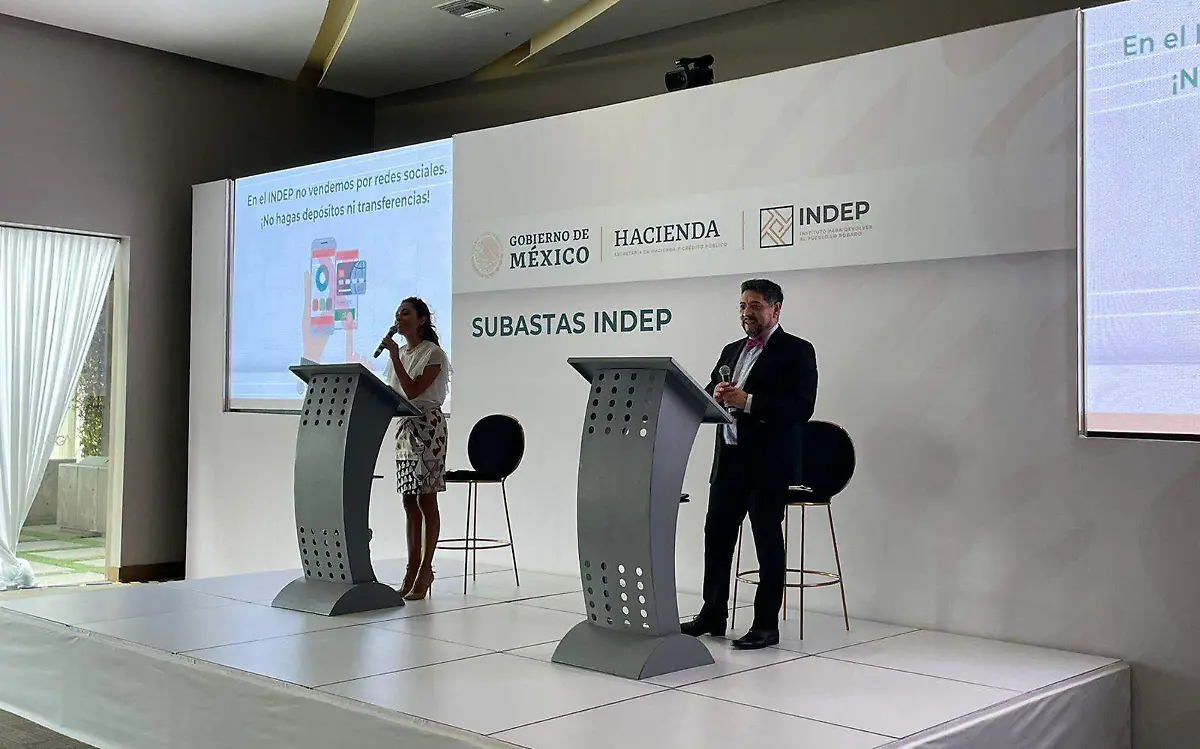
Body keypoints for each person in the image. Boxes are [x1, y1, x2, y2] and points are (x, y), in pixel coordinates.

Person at [681, 279, 818, 649]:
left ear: (776, 309)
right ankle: (713, 614)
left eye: (755, 306)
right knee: (717, 538)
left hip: (768, 465)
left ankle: (765, 625)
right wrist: (715, 395)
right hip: (728, 461)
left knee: (766, 543)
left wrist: (750, 402)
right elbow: (708, 395)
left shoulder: (797, 350)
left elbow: (802, 407)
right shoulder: (731, 350)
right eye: (742, 306)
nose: (746, 313)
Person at [381, 297, 451, 600]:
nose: (399, 318)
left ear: (421, 320)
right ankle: (411, 569)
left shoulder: (433, 353)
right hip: (405, 429)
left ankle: (425, 570)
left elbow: (413, 390)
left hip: (428, 429)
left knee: (426, 499)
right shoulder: (400, 354)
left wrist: (394, 355)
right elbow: (393, 392)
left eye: (406, 313)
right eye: (397, 313)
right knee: (409, 500)